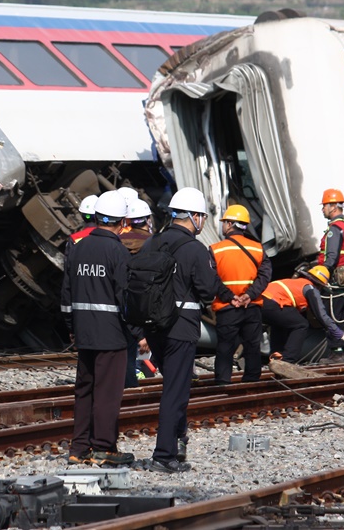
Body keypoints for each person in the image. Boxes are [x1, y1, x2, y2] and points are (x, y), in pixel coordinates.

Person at [139, 187, 235, 474]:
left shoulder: (152, 243)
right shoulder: (194, 248)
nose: (203, 222)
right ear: (193, 217)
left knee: (174, 384)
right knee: (176, 392)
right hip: (181, 328)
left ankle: (178, 442)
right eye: (202, 217)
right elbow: (206, 290)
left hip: (154, 326)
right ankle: (164, 454)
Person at [60, 190, 135, 467]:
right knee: (107, 393)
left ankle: (78, 447)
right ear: (121, 222)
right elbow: (125, 297)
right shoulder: (118, 251)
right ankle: (104, 447)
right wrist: (136, 332)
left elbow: (66, 294)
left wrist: (71, 326)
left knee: (84, 390)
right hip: (111, 335)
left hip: (83, 332)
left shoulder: (78, 248)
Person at [210, 204, 271, 385]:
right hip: (251, 307)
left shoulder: (216, 249)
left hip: (227, 307)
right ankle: (251, 381)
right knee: (252, 345)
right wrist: (249, 295)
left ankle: (222, 382)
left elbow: (211, 279)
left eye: (224, 222)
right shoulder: (258, 249)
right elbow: (265, 275)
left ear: (229, 224)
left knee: (225, 347)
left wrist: (231, 297)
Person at [260, 265, 344, 364]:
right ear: (320, 285)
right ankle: (288, 360)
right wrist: (337, 332)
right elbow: (321, 315)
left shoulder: (296, 283)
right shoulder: (310, 288)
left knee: (281, 324)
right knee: (301, 325)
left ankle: (277, 358)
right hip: (274, 303)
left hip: (260, 302)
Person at [120, 197, 154, 387]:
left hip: (121, 303)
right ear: (147, 219)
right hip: (143, 305)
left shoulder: (118, 241)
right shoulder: (154, 242)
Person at [318, 189, 344, 282]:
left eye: (324, 206)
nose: (322, 209)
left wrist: (320, 273)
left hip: (335, 278)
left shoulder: (335, 228)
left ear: (333, 207)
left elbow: (332, 256)